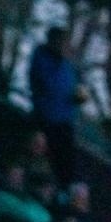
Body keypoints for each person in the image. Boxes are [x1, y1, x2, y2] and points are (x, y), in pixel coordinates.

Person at [27, 27, 80, 184]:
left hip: (65, 123)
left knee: (65, 166)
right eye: (62, 42)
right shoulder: (42, 58)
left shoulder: (67, 65)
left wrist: (78, 97)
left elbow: (75, 89)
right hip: (47, 121)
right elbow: (47, 87)